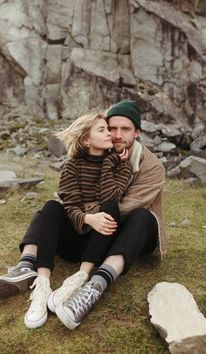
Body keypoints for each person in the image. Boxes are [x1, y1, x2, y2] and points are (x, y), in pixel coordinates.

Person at [0, 110, 133, 329]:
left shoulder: (122, 166)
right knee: (51, 207)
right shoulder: (72, 166)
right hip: (73, 239)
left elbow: (111, 197)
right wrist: (89, 218)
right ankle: (42, 286)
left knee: (110, 206)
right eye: (102, 129)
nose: (110, 133)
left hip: (97, 245)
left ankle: (80, 278)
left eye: (108, 129)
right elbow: (70, 206)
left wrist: (109, 164)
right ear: (86, 139)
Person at [55, 99, 167, 330]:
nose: (116, 135)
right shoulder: (96, 153)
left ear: (137, 132)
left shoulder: (152, 166)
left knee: (142, 216)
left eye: (125, 129)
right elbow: (72, 192)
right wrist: (84, 216)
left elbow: (125, 208)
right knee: (52, 208)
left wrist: (87, 214)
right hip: (100, 229)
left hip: (133, 230)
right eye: (111, 128)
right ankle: (31, 272)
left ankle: (96, 285)